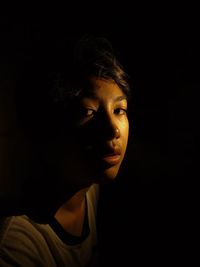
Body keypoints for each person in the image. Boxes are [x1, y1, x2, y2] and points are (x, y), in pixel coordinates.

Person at [0, 35, 130, 267]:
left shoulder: (90, 187)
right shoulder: (15, 246)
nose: (112, 130)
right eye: (88, 112)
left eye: (119, 109)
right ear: (46, 129)